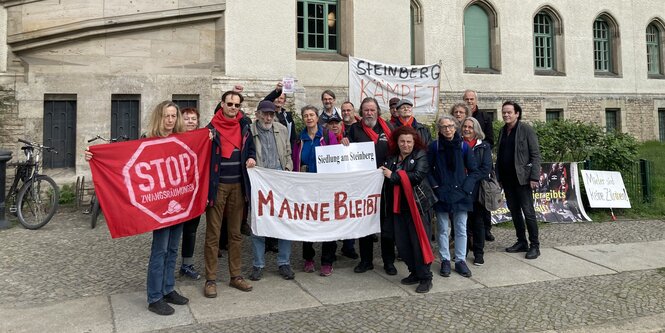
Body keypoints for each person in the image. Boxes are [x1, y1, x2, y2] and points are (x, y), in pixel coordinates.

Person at [86, 101, 189, 315]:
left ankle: (168, 288)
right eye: (166, 116)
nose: (170, 120)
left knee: (172, 248)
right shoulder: (147, 140)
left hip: (178, 203)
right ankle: (154, 297)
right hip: (159, 207)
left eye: (173, 116)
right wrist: (94, 156)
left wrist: (206, 139)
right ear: (158, 118)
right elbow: (122, 159)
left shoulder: (182, 138)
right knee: (159, 250)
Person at [203, 90, 257, 298]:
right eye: (229, 104)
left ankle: (235, 276)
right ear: (222, 104)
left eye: (236, 105)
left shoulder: (244, 128)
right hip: (217, 186)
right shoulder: (210, 129)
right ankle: (211, 279)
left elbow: (250, 150)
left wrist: (251, 158)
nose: (233, 108)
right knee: (213, 235)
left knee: (235, 234)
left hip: (238, 185)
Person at [343, 97, 397, 276]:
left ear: (377, 111)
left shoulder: (389, 128)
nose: (369, 113)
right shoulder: (354, 129)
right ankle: (366, 261)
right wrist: (345, 144)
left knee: (386, 224)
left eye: (372, 110)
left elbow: (397, 152)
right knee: (365, 222)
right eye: (366, 110)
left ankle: (388, 261)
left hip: (385, 183)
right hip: (364, 185)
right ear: (361, 112)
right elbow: (347, 155)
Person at [380, 126, 433, 293]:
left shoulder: (420, 155)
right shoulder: (391, 158)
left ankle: (426, 277)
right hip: (398, 207)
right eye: (402, 141)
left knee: (418, 242)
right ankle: (414, 272)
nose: (406, 145)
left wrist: (394, 175)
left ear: (414, 142)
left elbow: (417, 176)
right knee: (402, 243)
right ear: (397, 142)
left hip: (417, 207)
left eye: (409, 141)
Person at [248, 100, 296, 281]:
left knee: (284, 222)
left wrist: (288, 169)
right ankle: (258, 264)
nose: (268, 117)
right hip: (260, 182)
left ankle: (284, 262)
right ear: (258, 114)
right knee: (258, 224)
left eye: (271, 114)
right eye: (265, 113)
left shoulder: (281, 129)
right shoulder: (250, 131)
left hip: (279, 180)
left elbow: (288, 152)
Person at [427, 115, 480, 278]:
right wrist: (435, 186)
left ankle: (460, 260)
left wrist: (466, 189)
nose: (447, 129)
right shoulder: (434, 147)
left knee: (461, 229)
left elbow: (474, 171)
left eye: (450, 126)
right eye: (444, 127)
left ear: (455, 127)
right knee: (443, 229)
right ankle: (444, 259)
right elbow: (428, 169)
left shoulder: (464, 147)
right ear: (439, 129)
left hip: (461, 192)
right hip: (442, 192)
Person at [292, 105, 339, 276]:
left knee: (328, 222)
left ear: (317, 118)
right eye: (305, 115)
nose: (309, 118)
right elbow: (295, 160)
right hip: (306, 187)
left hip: (325, 186)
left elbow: (336, 157)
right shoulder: (300, 139)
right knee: (307, 222)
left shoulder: (327, 135)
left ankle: (327, 260)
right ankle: (308, 258)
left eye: (312, 115)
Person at [496, 101, 542, 260]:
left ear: (517, 114)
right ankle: (521, 241)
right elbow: (500, 155)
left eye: (509, 112)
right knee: (514, 212)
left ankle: (535, 245)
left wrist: (534, 176)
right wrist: (499, 177)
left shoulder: (526, 130)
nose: (506, 115)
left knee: (528, 213)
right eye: (504, 112)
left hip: (523, 179)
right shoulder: (502, 131)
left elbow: (535, 155)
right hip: (507, 179)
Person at [324, 112, 359, 260]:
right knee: (331, 218)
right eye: (331, 123)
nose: (334, 126)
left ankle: (348, 247)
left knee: (348, 215)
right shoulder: (324, 141)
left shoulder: (348, 139)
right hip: (330, 184)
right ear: (327, 126)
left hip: (347, 183)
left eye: (336, 123)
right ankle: (330, 251)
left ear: (341, 125)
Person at [461, 117, 493, 266]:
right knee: (462, 223)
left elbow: (485, 169)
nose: (467, 129)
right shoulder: (457, 144)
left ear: (476, 130)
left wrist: (470, 180)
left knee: (478, 222)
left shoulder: (484, 146)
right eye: (465, 126)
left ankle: (479, 253)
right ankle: (463, 251)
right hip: (460, 189)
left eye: (470, 127)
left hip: (477, 188)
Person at [179, 107, 204, 280]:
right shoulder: (171, 138)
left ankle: (186, 264)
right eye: (186, 118)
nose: (190, 122)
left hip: (194, 193)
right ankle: (167, 263)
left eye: (193, 119)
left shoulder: (203, 138)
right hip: (175, 194)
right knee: (172, 232)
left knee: (190, 231)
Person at [264, 82, 297, 148]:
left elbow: (293, 136)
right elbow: (264, 102)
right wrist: (277, 91)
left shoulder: (288, 116)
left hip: (285, 148)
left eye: (281, 98)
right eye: (277, 97)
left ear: (284, 101)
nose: (279, 100)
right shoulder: (266, 114)